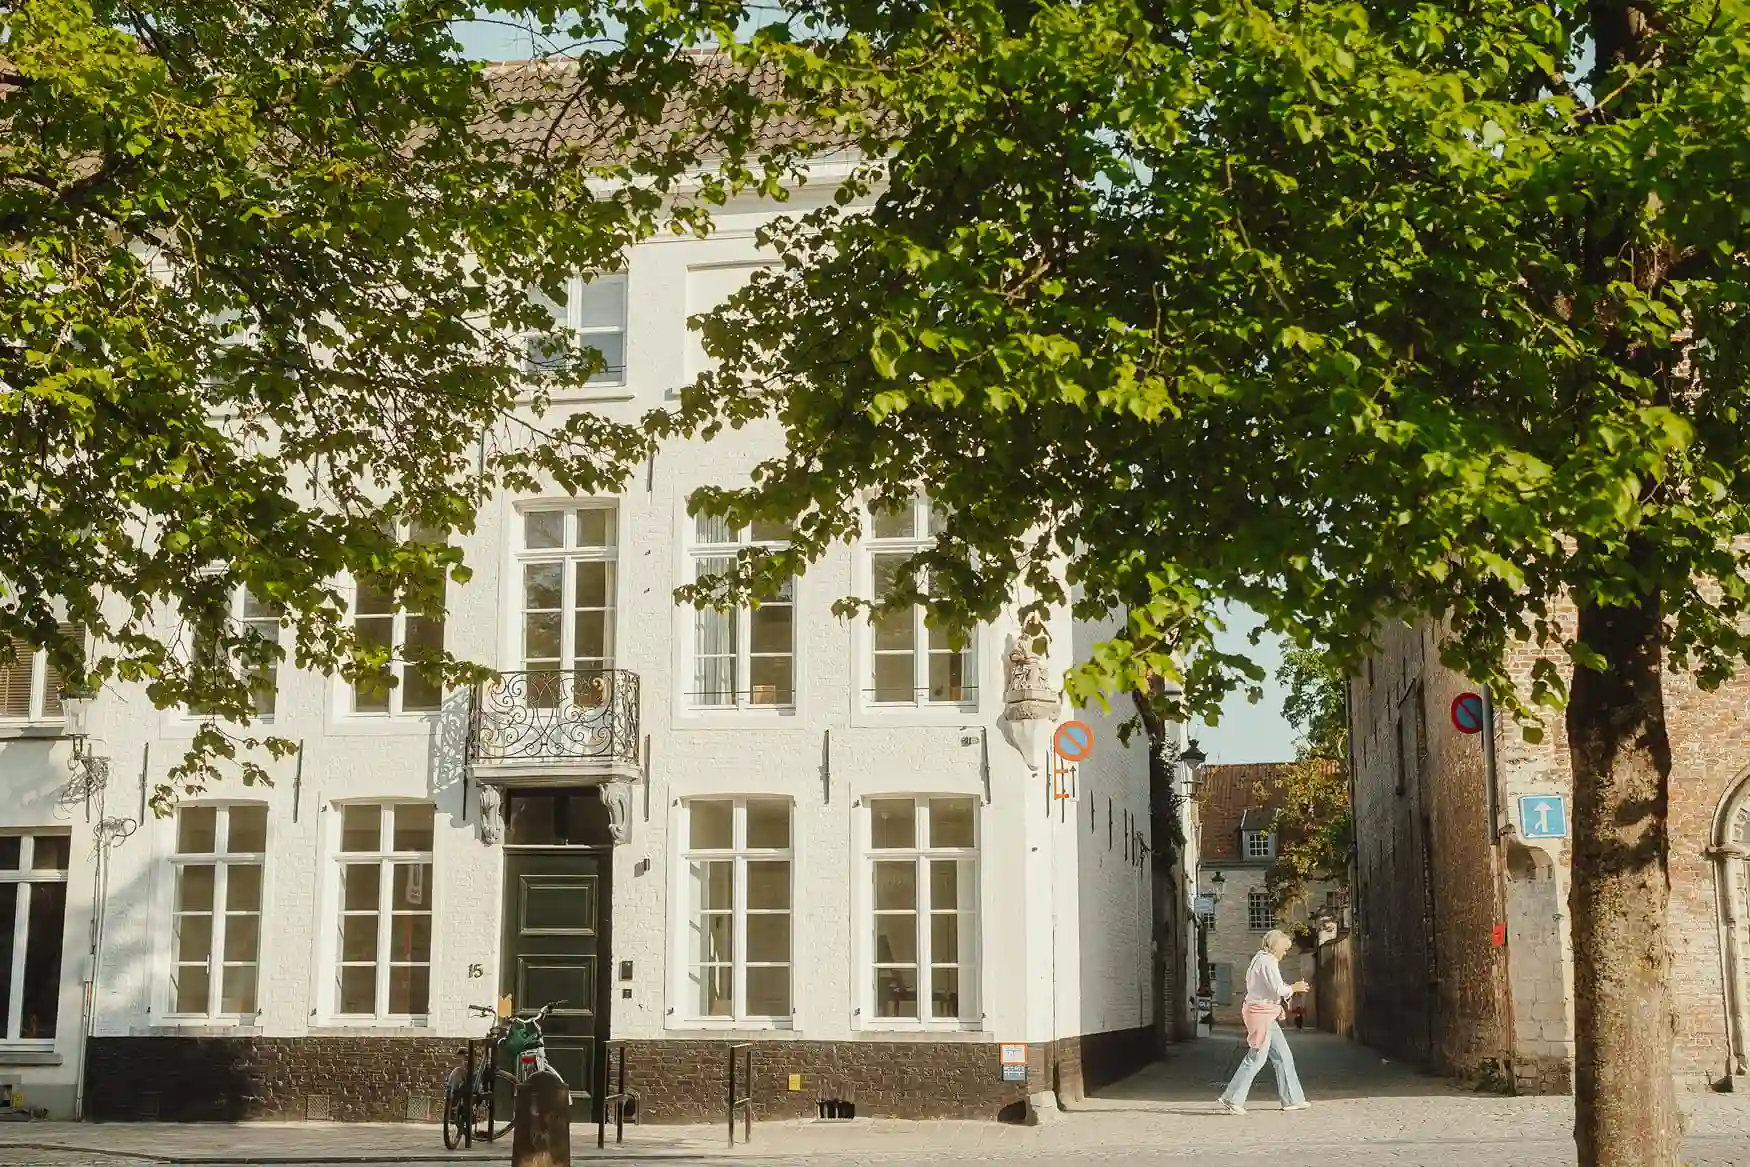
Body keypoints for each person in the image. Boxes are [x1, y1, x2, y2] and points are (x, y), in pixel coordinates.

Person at [1218, 929, 1310, 1114]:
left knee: (1283, 1055)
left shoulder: (1261, 959)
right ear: (1275, 946)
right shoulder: (1267, 961)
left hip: (1265, 1012)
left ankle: (1292, 1098)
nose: (1285, 953)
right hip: (1261, 1013)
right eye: (1284, 949)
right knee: (1257, 1056)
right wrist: (1294, 987)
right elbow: (1278, 989)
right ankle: (1232, 1098)